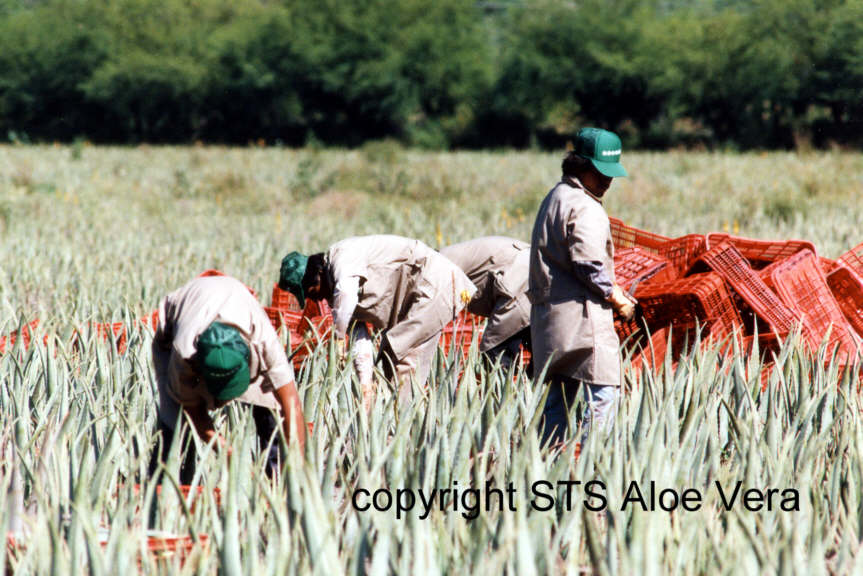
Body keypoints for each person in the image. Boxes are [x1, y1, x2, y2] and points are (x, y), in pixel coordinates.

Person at [529, 127, 636, 447]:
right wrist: (619, 299)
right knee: (603, 398)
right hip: (583, 322)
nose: (607, 181)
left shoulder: (555, 197)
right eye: (599, 172)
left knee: (556, 409)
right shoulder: (586, 207)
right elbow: (588, 264)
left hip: (550, 325)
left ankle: (546, 473)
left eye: (610, 174)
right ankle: (594, 477)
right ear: (579, 166)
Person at [279, 235, 476, 407]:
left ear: (317, 274)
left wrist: (338, 337)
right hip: (416, 300)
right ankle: (392, 422)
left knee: (405, 362)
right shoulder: (335, 291)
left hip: (433, 286)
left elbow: (346, 295)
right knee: (389, 359)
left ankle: (401, 430)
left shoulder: (342, 259)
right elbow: (358, 334)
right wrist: (365, 387)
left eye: (313, 293)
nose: (317, 300)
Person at [150, 275, 305, 482]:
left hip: (234, 302)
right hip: (178, 323)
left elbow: (291, 402)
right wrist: (227, 451)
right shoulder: (183, 352)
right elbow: (193, 410)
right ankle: (161, 485)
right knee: (173, 418)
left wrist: (295, 462)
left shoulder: (263, 339)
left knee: (270, 402)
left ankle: (275, 475)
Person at [441, 236, 532, 373]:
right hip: (525, 279)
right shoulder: (441, 264)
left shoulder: (433, 269)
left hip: (520, 283)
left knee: (497, 355)